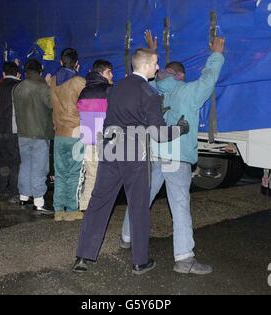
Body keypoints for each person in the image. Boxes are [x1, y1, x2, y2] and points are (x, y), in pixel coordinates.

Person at [72, 48, 189, 275]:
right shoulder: (149, 92)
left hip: (110, 149)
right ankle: (140, 261)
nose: (157, 67)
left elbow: (119, 115)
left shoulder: (115, 88)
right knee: (138, 205)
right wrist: (180, 129)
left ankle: (82, 257)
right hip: (134, 153)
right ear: (145, 65)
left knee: (99, 202)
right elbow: (158, 133)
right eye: (155, 63)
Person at [121, 33, 226, 275]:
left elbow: (140, 75)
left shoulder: (149, 90)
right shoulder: (188, 91)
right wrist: (217, 55)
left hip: (153, 154)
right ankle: (184, 259)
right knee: (179, 206)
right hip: (176, 158)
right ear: (180, 76)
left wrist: (150, 50)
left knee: (141, 198)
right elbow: (208, 80)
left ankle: (126, 237)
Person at [47, 48, 86, 222]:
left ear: (61, 62)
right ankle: (71, 210)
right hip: (76, 132)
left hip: (59, 133)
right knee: (74, 173)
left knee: (60, 173)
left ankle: (58, 210)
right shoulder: (79, 81)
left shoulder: (53, 81)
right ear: (77, 64)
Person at [13, 59, 54, 214]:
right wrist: (49, 86)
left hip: (23, 133)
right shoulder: (42, 87)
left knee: (25, 165)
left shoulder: (19, 87)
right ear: (40, 71)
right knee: (39, 167)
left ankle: (24, 196)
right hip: (39, 133)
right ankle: (39, 201)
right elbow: (51, 105)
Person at [77, 59, 113, 212]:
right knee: (107, 178)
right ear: (104, 72)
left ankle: (85, 206)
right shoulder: (109, 90)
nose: (112, 75)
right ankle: (101, 208)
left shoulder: (84, 91)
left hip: (88, 140)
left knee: (91, 175)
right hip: (105, 140)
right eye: (110, 72)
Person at [0, 62, 22, 203]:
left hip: (0, 129)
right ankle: (14, 193)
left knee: (2, 161)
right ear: (18, 74)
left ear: (4, 74)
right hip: (14, 129)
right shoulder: (17, 86)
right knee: (15, 162)